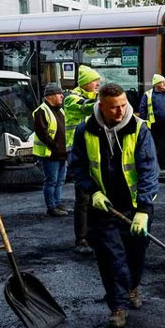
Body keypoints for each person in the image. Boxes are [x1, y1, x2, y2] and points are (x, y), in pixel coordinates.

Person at [68, 83, 159, 328]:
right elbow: (77, 166)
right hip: (104, 207)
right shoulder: (84, 130)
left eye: (123, 105)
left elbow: (149, 171)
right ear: (101, 106)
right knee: (110, 258)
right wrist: (93, 191)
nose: (120, 112)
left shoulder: (139, 129)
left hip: (135, 206)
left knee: (136, 254)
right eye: (114, 108)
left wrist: (143, 208)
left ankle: (131, 287)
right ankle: (117, 305)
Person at [64, 65, 101, 253]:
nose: (98, 84)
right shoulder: (71, 98)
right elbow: (89, 108)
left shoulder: (91, 97)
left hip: (93, 152)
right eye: (95, 80)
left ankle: (93, 234)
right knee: (84, 198)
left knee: (97, 195)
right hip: (78, 153)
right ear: (85, 82)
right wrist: (104, 97)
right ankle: (82, 239)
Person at [33, 83, 69, 217]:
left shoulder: (60, 110)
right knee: (51, 181)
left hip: (61, 153)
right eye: (59, 94)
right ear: (50, 96)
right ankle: (52, 207)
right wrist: (55, 146)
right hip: (50, 154)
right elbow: (42, 133)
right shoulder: (41, 111)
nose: (62, 96)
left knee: (59, 181)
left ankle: (57, 203)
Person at [138, 74, 165, 176]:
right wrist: (146, 123)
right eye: (162, 82)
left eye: (164, 81)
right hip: (158, 126)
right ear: (156, 84)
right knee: (160, 148)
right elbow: (142, 109)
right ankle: (162, 168)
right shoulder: (148, 94)